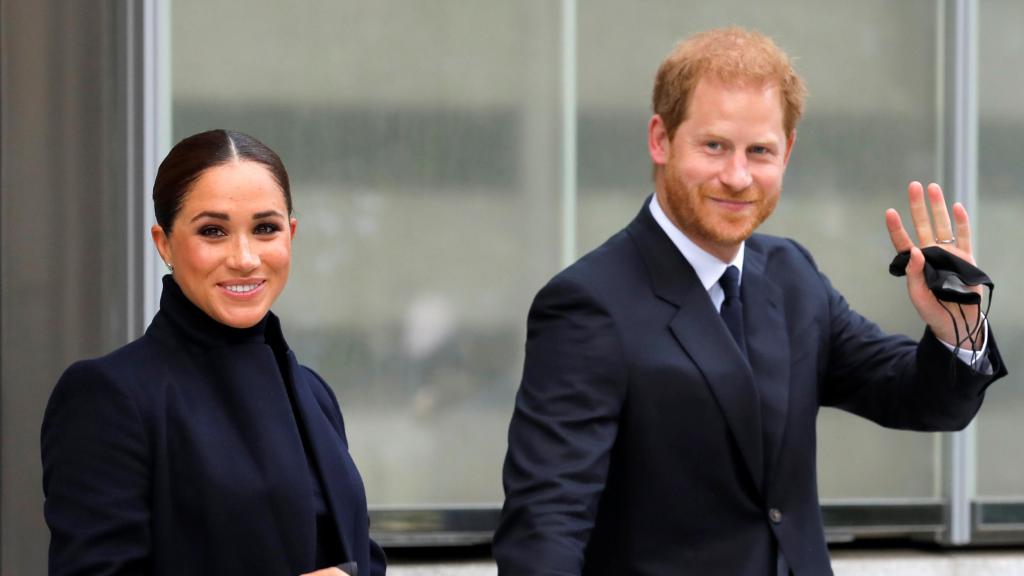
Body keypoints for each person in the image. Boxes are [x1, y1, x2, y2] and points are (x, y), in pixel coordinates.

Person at [493, 28, 1007, 575]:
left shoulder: (792, 277)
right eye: (714, 145)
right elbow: (545, 527)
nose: (737, 177)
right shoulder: (587, 304)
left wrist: (958, 327)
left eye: (759, 151)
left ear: (787, 152)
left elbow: (923, 402)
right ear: (660, 140)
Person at [41, 129, 385, 576]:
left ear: (291, 235)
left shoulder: (314, 394)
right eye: (213, 231)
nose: (244, 257)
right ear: (163, 243)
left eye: (265, 229)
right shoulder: (108, 396)